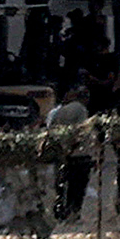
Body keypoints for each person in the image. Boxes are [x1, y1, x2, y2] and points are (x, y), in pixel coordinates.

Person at [46, 88, 92, 222]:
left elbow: (53, 129)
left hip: (61, 153)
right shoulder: (81, 110)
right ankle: (74, 212)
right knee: (77, 185)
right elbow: (81, 131)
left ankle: (60, 212)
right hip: (79, 154)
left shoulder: (60, 111)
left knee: (61, 184)